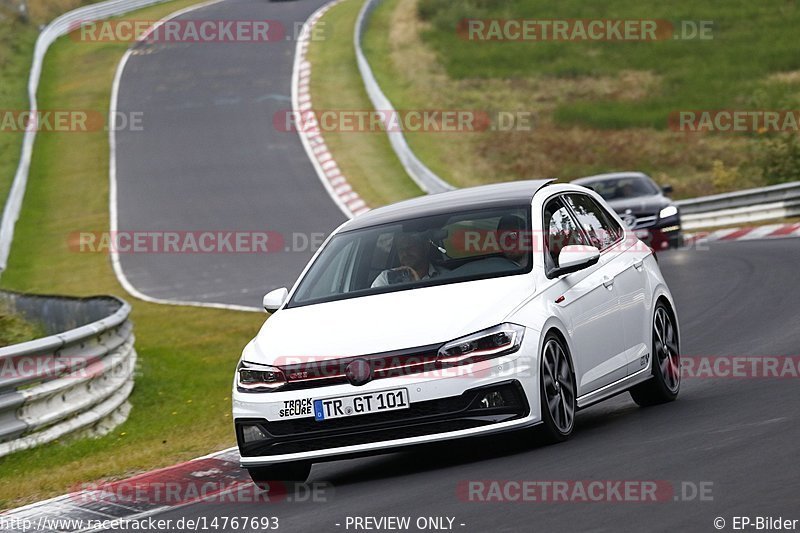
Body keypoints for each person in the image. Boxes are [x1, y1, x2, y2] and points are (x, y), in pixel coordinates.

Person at [371, 232, 446, 287]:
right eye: (401, 249)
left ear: (426, 247)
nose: (405, 253)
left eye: (410, 247)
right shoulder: (386, 279)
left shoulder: (445, 276)